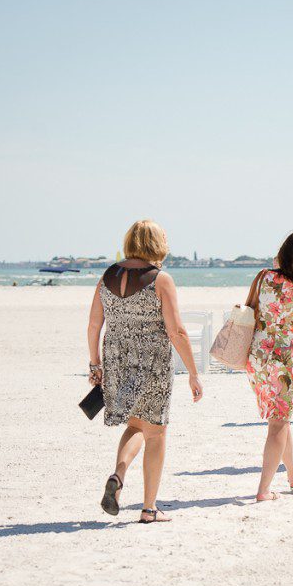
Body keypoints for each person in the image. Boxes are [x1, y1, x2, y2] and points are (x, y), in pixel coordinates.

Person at [87, 219, 203, 524]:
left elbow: (94, 324)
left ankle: (118, 475)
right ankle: (149, 508)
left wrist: (94, 364)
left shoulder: (108, 276)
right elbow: (176, 330)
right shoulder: (160, 279)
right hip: (152, 363)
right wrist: (193, 371)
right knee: (156, 431)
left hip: (117, 360)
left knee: (136, 425)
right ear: (157, 244)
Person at [247, 232, 293, 501]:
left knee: (280, 418)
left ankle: (292, 475)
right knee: (279, 422)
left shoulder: (264, 276)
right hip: (289, 362)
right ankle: (264, 489)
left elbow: (252, 310)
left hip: (259, 359)